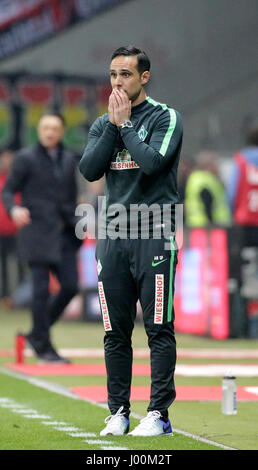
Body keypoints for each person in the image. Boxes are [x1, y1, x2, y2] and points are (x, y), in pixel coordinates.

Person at [79, 45, 183, 437]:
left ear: (144, 77)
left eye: (125, 74)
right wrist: (112, 125)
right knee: (114, 331)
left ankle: (159, 414)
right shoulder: (102, 123)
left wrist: (124, 127)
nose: (117, 82)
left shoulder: (165, 116)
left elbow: (153, 163)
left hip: (154, 232)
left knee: (158, 328)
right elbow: (89, 170)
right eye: (112, 75)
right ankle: (118, 412)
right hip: (113, 235)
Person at [2, 112, 81, 363]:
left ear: (62, 132)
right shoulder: (25, 158)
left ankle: (37, 334)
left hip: (64, 233)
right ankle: (44, 346)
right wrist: (14, 209)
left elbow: (71, 196)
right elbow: (8, 190)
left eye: (55, 128)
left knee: (70, 287)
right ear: (39, 130)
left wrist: (78, 223)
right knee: (40, 290)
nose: (49, 132)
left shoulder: (68, 160)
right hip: (36, 231)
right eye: (45, 127)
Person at [0, 149, 23, 306]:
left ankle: (20, 296)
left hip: (18, 230)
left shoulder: (18, 180)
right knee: (3, 266)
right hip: (1, 231)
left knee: (21, 264)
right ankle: (4, 296)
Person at [184, 150, 231, 227]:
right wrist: (211, 223)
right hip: (207, 226)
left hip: (195, 224)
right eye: (216, 164)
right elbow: (208, 203)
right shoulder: (206, 181)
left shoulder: (195, 178)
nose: (218, 167)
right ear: (209, 166)